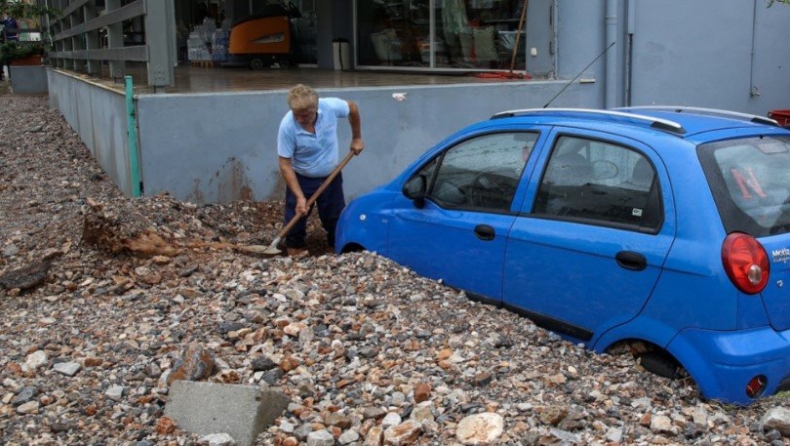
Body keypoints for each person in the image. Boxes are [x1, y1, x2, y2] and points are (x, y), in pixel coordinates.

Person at [276, 84, 364, 257]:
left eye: (305, 115)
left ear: (316, 108)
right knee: (296, 216)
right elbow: (285, 164)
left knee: (334, 215)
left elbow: (352, 108)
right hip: (302, 177)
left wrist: (357, 138)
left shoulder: (330, 107)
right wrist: (300, 197)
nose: (300, 119)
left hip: (331, 175)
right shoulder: (288, 126)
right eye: (296, 115)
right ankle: (295, 250)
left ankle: (334, 249)